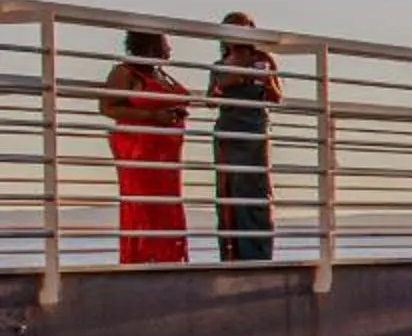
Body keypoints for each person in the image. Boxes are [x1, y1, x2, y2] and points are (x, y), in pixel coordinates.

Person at [98, 30, 191, 265]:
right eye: (165, 44)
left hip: (167, 149)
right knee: (143, 202)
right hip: (140, 146)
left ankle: (168, 257)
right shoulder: (125, 72)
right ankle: (141, 258)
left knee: (167, 201)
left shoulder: (161, 74)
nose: (169, 49)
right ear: (151, 46)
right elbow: (108, 107)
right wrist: (152, 115)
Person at [206, 14, 279, 263]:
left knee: (256, 190)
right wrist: (229, 81)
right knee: (228, 191)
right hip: (228, 132)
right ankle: (230, 255)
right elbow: (210, 100)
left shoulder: (263, 59)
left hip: (255, 130)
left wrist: (265, 82)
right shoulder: (219, 64)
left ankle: (258, 254)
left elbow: (276, 97)